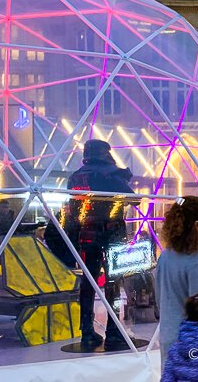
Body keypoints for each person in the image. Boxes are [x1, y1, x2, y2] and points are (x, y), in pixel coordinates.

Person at [65, 139, 133, 351]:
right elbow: (132, 197)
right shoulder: (109, 174)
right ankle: (113, 332)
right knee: (113, 283)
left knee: (88, 283)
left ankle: (86, 330)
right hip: (110, 233)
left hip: (86, 234)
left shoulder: (75, 176)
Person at [156, 196, 198, 367]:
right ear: (197, 225)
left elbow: (160, 297)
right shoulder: (197, 260)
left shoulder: (165, 257)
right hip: (191, 344)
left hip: (168, 336)